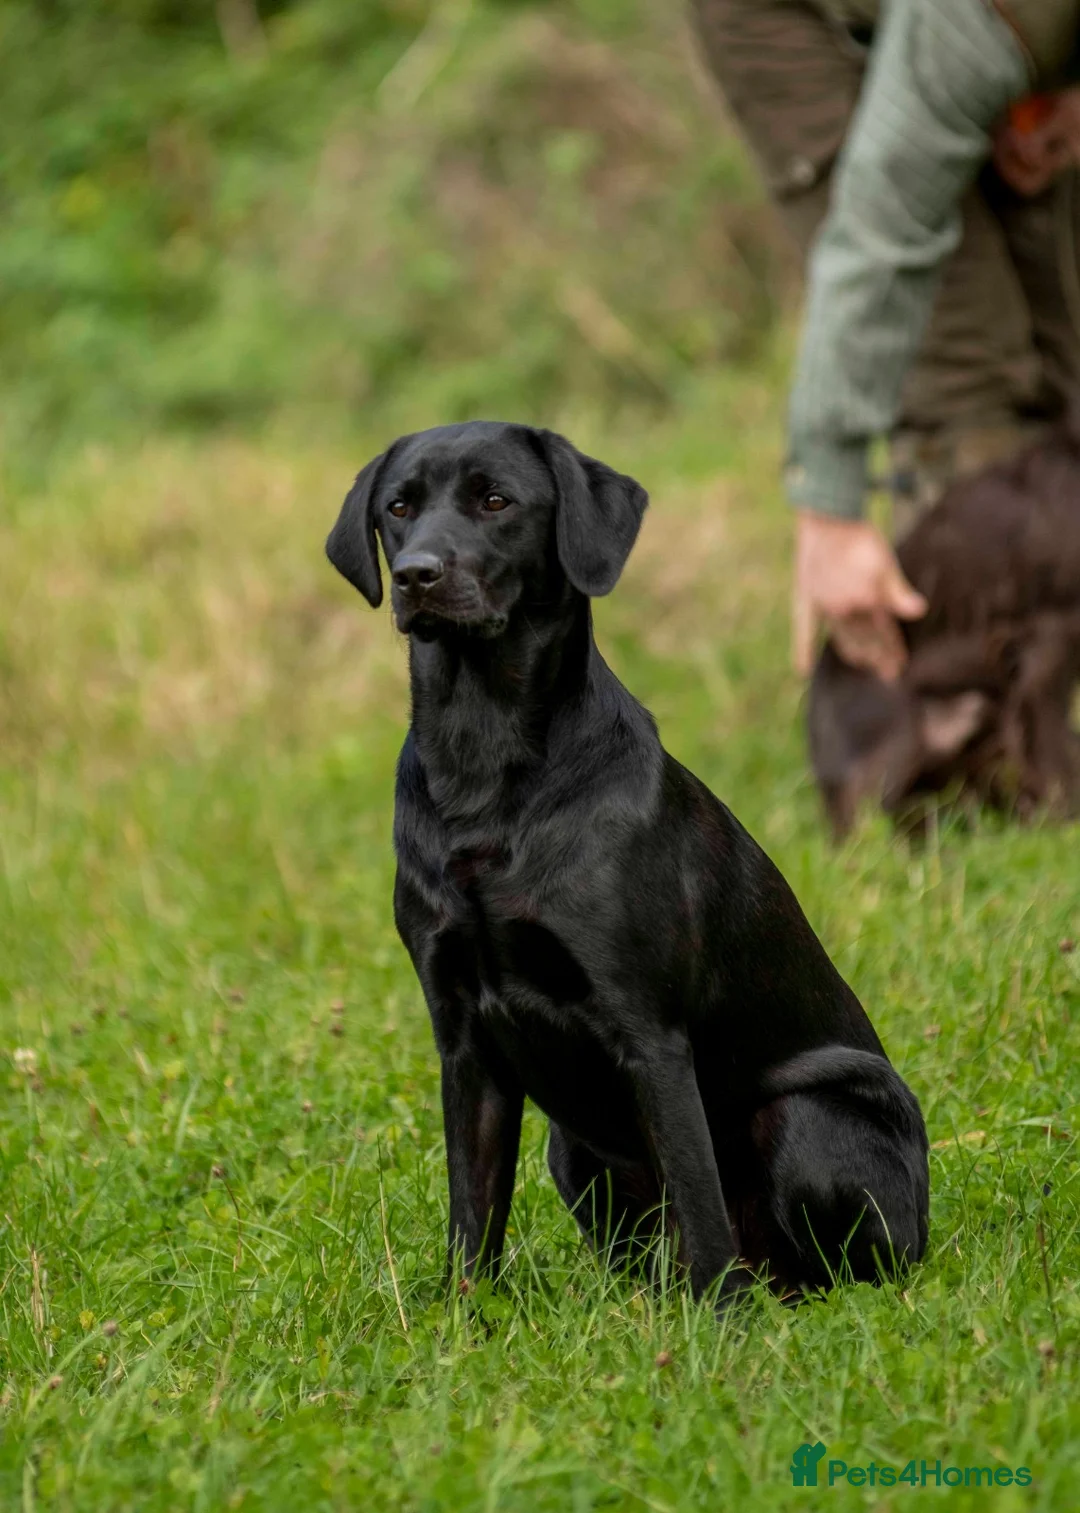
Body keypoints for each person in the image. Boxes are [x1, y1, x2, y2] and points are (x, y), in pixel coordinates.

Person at [692, 0, 1080, 680]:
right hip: (787, 17)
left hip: (989, 41)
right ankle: (962, 731)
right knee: (968, 384)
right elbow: (882, 235)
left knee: (1063, 361)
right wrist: (829, 504)